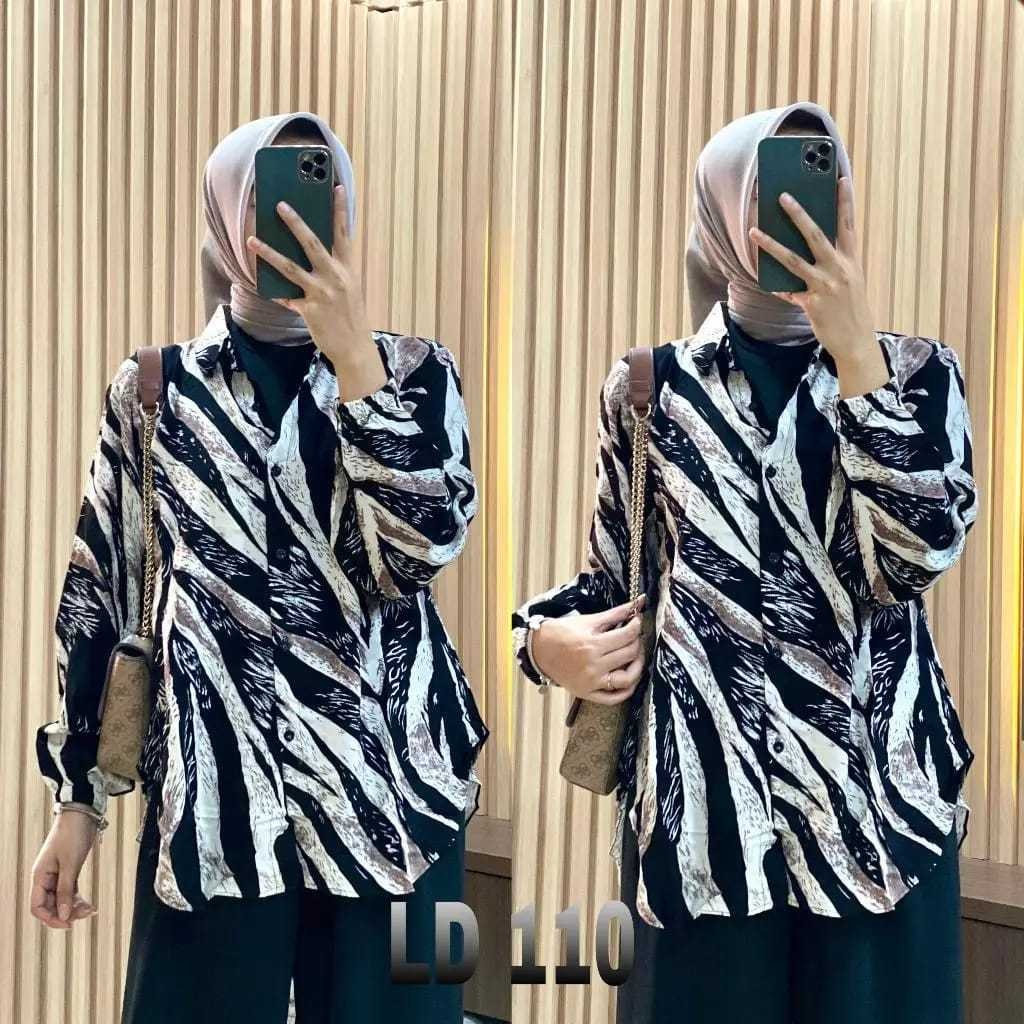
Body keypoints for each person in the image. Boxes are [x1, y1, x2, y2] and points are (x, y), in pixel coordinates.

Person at [511, 101, 977, 1023]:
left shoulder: (920, 374)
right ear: (722, 211)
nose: (796, 216)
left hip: (877, 824)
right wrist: (542, 642)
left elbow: (916, 559)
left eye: (818, 187)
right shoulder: (650, 387)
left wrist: (856, 352)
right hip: (703, 830)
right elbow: (612, 578)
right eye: (771, 193)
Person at [30, 111, 489, 1024]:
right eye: (265, 199)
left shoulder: (417, 372)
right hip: (215, 803)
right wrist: (78, 803)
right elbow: (99, 595)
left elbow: (423, 553)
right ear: (223, 214)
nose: (289, 223)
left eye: (318, 194)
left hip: (396, 805)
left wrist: (354, 358)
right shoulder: (154, 389)